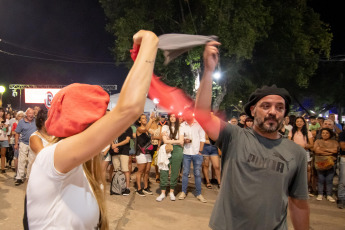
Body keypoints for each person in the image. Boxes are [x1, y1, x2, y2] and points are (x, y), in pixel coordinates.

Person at [26, 30, 159, 229]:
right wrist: (150, 41)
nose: (107, 124)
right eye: (102, 117)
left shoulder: (82, 167)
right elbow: (129, 108)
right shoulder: (52, 157)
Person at [195, 41, 309, 229]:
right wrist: (208, 71)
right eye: (266, 106)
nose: (273, 112)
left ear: (285, 115)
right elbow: (202, 115)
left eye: (280, 108)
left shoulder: (296, 153)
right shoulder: (234, 136)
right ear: (253, 110)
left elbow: (299, 204)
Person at [178, 108, 206, 203]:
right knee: (185, 173)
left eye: (189, 113)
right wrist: (183, 141)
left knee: (197, 174)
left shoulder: (198, 124)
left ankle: (199, 193)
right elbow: (181, 138)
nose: (187, 115)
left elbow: (202, 138)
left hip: (196, 152)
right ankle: (183, 192)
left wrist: (200, 151)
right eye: (186, 114)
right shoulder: (182, 125)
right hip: (186, 152)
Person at [156, 113, 184, 202]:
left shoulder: (180, 128)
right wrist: (175, 141)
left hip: (178, 150)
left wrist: (170, 140)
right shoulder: (165, 127)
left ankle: (172, 191)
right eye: (171, 116)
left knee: (175, 170)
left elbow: (181, 141)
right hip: (166, 149)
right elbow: (164, 140)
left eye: (174, 116)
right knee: (164, 169)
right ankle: (163, 192)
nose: (172, 118)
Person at [288, 116, 314, 196]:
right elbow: (289, 142)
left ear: (303, 123)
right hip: (294, 153)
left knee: (305, 171)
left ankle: (305, 188)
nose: (299, 123)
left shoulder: (308, 132)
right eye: (297, 121)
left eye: (301, 121)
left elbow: (311, 145)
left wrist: (304, 146)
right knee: (294, 170)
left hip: (304, 152)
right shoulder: (292, 131)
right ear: (295, 123)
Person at [313, 128, 339, 202]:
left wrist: (323, 150)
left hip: (331, 163)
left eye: (326, 133)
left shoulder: (334, 142)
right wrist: (329, 152)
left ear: (330, 134)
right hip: (320, 162)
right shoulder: (318, 141)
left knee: (329, 180)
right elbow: (316, 151)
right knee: (320, 179)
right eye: (323, 133)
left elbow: (335, 151)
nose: (324, 134)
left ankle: (329, 195)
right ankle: (320, 194)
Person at [14, 108, 37, 185]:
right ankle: (19, 177)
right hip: (23, 143)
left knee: (31, 161)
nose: (31, 115)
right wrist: (16, 144)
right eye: (29, 113)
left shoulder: (36, 121)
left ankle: (29, 177)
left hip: (33, 143)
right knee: (21, 160)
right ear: (26, 114)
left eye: (32, 114)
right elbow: (17, 133)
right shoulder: (21, 122)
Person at [109, 126, 133, 196]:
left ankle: (127, 188)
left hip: (124, 152)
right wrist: (113, 146)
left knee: (125, 170)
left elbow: (127, 140)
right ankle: (116, 187)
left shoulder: (128, 128)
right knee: (116, 170)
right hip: (114, 152)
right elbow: (111, 138)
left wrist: (116, 145)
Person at [135, 113, 154, 196]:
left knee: (147, 171)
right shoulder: (139, 129)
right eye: (143, 118)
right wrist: (151, 120)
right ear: (139, 121)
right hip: (141, 153)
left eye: (145, 118)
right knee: (140, 171)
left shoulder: (147, 131)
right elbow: (145, 129)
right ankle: (139, 188)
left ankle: (146, 187)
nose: (145, 119)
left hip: (148, 153)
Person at [337, 129, 345, 208]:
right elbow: (343, 147)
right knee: (343, 181)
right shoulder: (343, 134)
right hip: (344, 159)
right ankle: (341, 198)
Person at [0, 107, 9, 173]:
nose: (1, 113)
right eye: (0, 111)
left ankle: (3, 168)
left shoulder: (6, 120)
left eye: (2, 111)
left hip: (4, 138)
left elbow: (6, 130)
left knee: (3, 154)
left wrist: (5, 127)